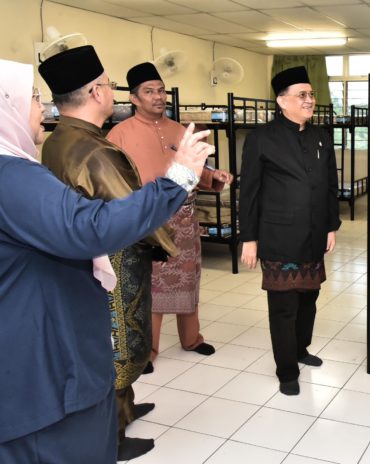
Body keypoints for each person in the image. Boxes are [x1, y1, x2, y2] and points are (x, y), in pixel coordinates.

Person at [0, 58, 212, 464]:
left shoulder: (53, 145)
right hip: (46, 357)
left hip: (39, 329)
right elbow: (95, 224)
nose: (42, 108)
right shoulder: (15, 174)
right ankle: (115, 428)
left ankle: (121, 413)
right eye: (33, 97)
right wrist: (180, 179)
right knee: (123, 351)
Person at [107, 62, 233, 370]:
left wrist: (214, 176)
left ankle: (192, 339)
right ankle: (148, 350)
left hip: (186, 220)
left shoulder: (180, 130)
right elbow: (112, 181)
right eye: (149, 91)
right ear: (134, 98)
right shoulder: (119, 134)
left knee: (189, 279)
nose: (158, 97)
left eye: (161, 90)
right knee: (151, 286)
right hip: (149, 220)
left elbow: (197, 167)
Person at [239, 66, 341, 396]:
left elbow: (330, 186)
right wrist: (249, 238)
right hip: (279, 237)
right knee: (284, 307)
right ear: (282, 101)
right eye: (302, 95)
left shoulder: (321, 136)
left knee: (309, 298)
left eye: (311, 94)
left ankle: (300, 349)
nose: (310, 100)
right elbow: (249, 192)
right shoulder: (261, 139)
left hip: (314, 233)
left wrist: (331, 226)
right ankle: (286, 371)